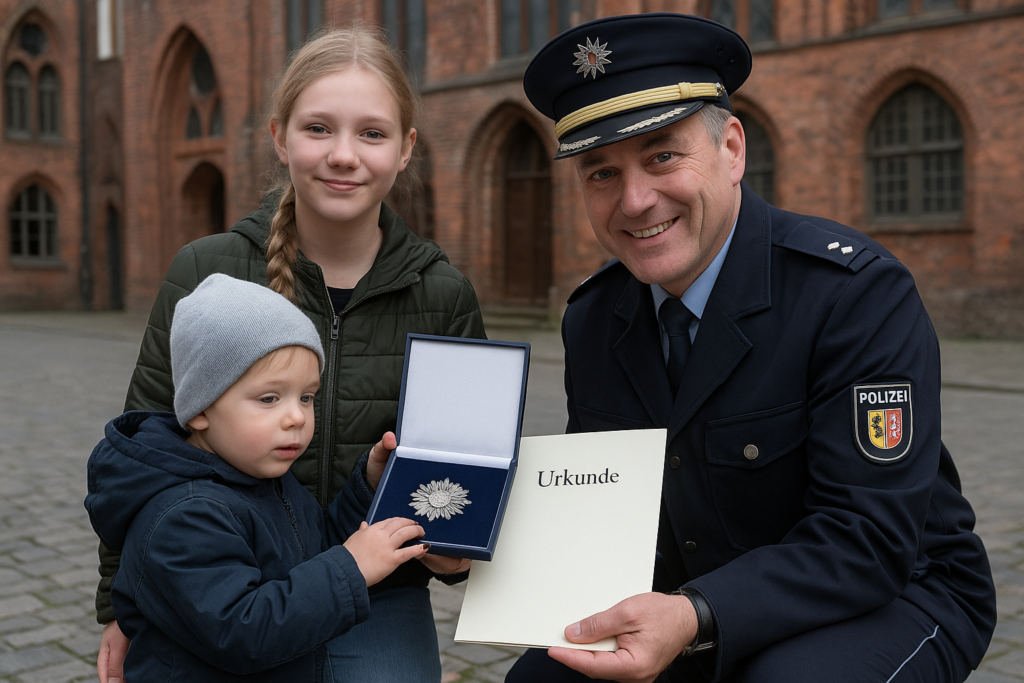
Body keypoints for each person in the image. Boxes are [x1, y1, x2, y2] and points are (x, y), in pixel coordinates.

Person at [508, 12, 996, 683]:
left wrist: (695, 614)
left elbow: (869, 537)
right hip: (688, 599)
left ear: (732, 150)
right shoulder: (594, 317)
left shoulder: (853, 295)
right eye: (601, 173)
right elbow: (600, 508)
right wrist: (478, 539)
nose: (635, 200)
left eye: (662, 156)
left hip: (895, 590)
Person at [92, 27, 483, 683]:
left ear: (406, 149)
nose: (343, 155)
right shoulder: (206, 269)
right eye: (318, 128)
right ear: (280, 136)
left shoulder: (444, 294)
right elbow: (143, 454)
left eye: (372, 133)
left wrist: (452, 546)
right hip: (220, 578)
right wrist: (119, 606)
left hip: (375, 586)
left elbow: (461, 469)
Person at [86, 274, 429, 681]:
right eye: (269, 398)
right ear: (201, 409)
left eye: (306, 397)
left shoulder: (261, 476)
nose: (296, 416)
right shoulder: (185, 517)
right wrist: (352, 567)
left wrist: (369, 487)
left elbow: (313, 551)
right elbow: (242, 632)